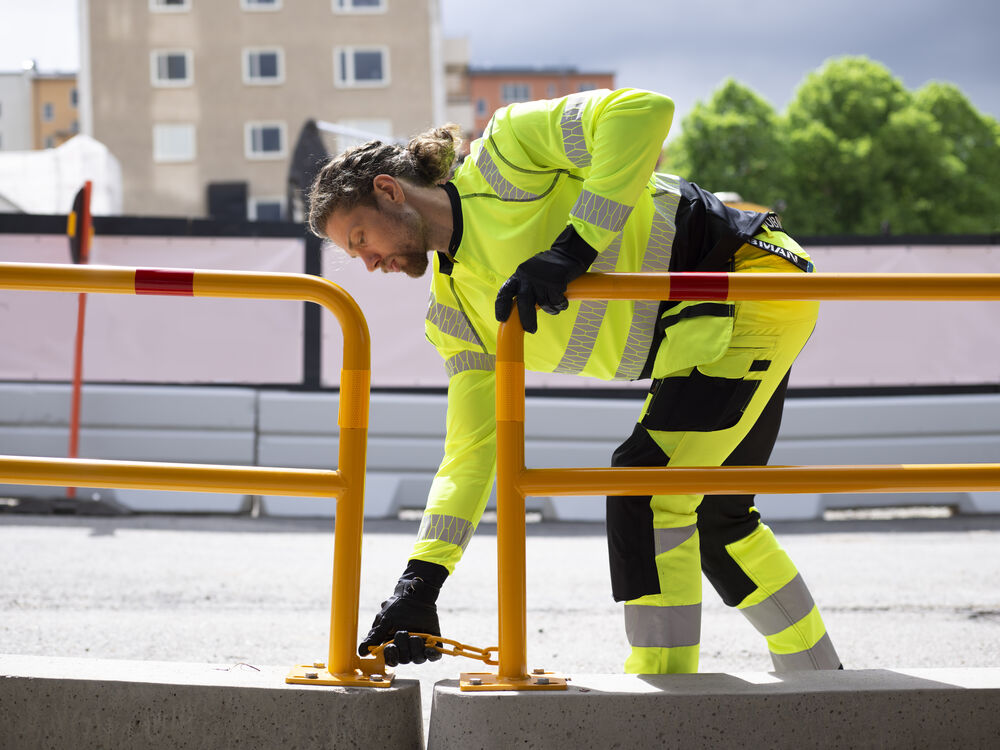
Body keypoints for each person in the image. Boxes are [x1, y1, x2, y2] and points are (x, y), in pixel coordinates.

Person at [307, 88, 841, 674]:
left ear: (388, 190)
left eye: (360, 240)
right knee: (721, 518)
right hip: (711, 330)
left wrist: (571, 250)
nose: (368, 264)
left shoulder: (510, 151)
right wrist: (421, 581)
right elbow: (471, 449)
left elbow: (645, 111)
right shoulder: (454, 312)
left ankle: (665, 700)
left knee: (648, 488)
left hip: (747, 280)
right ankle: (821, 681)